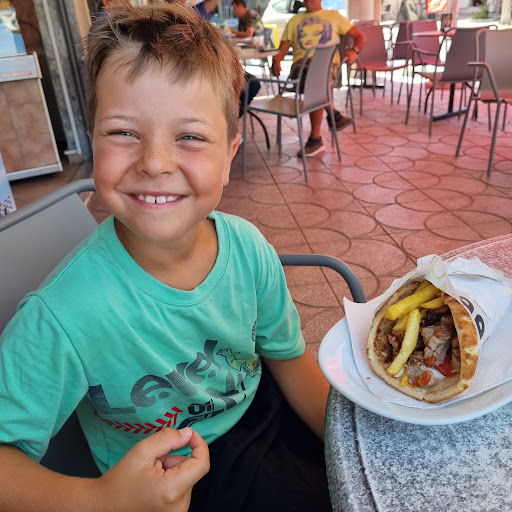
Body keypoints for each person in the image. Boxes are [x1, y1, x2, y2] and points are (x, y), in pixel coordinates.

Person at [0, 4, 331, 512]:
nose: (154, 163)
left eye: (190, 137)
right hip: (170, 483)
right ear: (93, 140)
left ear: (229, 156)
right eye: (123, 132)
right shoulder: (62, 315)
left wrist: (352, 442)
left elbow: (288, 361)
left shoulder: (248, 249)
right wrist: (101, 500)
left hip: (266, 417)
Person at [271, 0, 365, 158]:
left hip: (328, 68)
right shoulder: (294, 21)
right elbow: (282, 50)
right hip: (301, 69)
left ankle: (316, 138)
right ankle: (332, 115)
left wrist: (354, 50)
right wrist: (277, 59)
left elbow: (360, 37)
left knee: (318, 76)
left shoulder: (334, 16)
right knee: (316, 77)